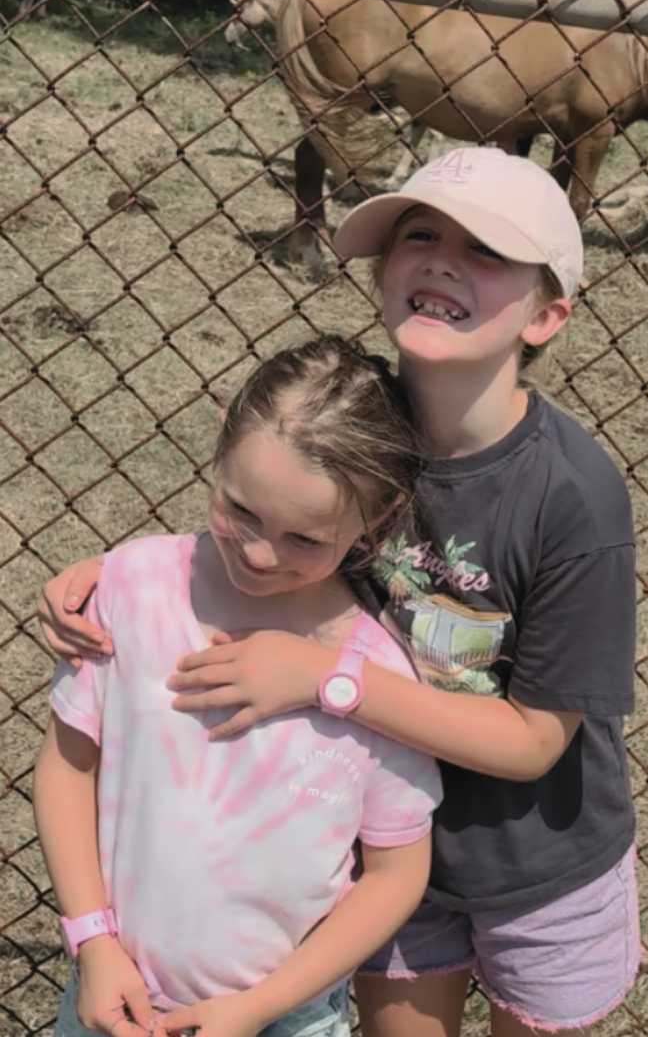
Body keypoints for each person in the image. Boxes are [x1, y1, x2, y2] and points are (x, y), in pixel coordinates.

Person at [38, 147, 640, 1037]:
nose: (441, 258)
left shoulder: (573, 495)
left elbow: (533, 744)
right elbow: (267, 531)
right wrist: (112, 578)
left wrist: (326, 680)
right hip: (384, 860)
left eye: (484, 251)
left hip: (536, 858)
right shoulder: (348, 419)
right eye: (419, 234)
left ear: (547, 314)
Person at [33, 336, 443, 1037]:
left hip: (286, 1018)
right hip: (112, 995)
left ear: (377, 517)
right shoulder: (129, 591)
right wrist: (93, 943)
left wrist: (258, 1008)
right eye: (241, 510)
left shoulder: (375, 678)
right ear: (221, 442)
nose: (259, 553)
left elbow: (395, 874)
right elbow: (67, 767)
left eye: (305, 539)